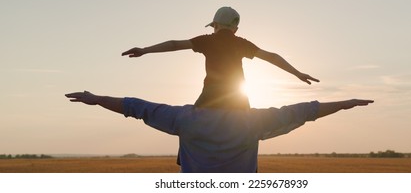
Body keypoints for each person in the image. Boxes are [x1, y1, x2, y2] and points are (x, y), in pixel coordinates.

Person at [65, 91, 373, 173]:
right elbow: (306, 110)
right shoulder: (253, 121)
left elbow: (135, 106)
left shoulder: (185, 118)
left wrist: (96, 99)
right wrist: (347, 103)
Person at [122, 6, 319, 109]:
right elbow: (272, 57)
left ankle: (184, 164)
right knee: (247, 131)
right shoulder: (242, 43)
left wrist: (145, 50)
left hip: (211, 94)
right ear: (235, 28)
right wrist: (297, 73)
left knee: (190, 126)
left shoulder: (207, 40)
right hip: (237, 96)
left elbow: (174, 44)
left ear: (215, 25)